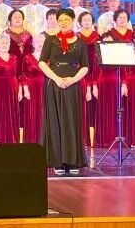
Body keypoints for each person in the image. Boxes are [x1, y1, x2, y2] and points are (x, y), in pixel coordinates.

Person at [38, 9, 90, 175]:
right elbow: (42, 62)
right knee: (55, 121)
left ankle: (72, 160)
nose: (63, 23)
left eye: (67, 19)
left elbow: (85, 66)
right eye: (60, 20)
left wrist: (72, 80)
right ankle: (58, 162)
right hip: (54, 84)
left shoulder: (81, 42)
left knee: (71, 121)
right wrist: (56, 79)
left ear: (73, 20)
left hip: (72, 85)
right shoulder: (51, 40)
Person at [93, 9, 134, 147]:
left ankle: (119, 137)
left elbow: (124, 69)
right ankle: (104, 139)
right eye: (105, 41)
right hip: (103, 82)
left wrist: (124, 83)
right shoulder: (99, 54)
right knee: (104, 110)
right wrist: (94, 87)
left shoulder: (119, 52)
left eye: (124, 17)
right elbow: (95, 71)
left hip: (118, 81)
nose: (108, 43)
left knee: (118, 110)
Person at [75, 11, 100, 147]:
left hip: (95, 67)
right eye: (84, 20)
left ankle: (94, 138)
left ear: (92, 22)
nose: (86, 22)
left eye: (89, 19)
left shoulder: (98, 36)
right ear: (80, 22)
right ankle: (81, 137)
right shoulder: (76, 36)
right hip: (80, 68)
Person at [20, 33, 46, 144]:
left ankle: (45, 140)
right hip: (31, 89)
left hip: (46, 88)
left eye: (42, 41)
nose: (40, 43)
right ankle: (31, 140)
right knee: (31, 113)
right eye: (38, 41)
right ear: (33, 44)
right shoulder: (27, 57)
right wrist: (25, 90)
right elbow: (23, 75)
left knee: (45, 113)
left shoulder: (49, 57)